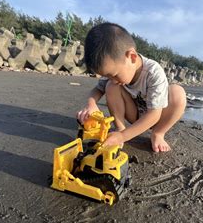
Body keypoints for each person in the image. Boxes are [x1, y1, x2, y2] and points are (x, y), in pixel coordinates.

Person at [77, 23, 187, 152]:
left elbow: (154, 114)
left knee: (177, 92)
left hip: (157, 117)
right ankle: (120, 128)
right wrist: (91, 104)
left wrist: (122, 137)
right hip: (135, 115)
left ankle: (158, 134)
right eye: (106, 75)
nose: (111, 79)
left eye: (114, 75)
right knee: (110, 86)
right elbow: (98, 89)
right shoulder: (113, 73)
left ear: (132, 57)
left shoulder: (153, 72)